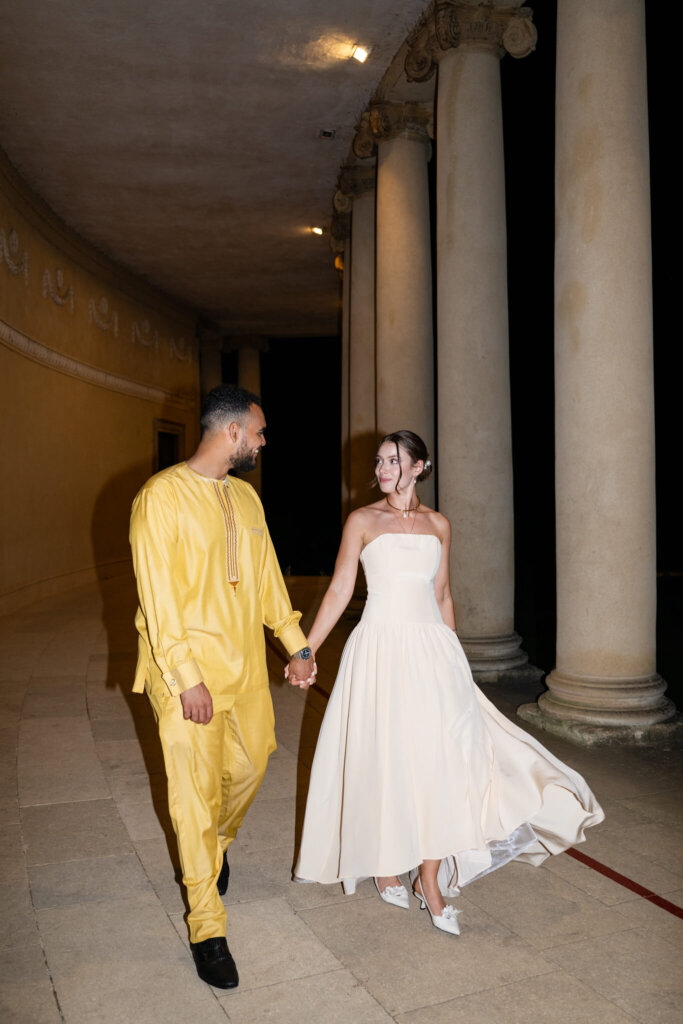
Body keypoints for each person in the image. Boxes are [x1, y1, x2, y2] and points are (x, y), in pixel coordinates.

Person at [292, 430, 604, 936]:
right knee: (386, 756)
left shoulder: (439, 525)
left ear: (420, 466)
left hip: (433, 653)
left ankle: (430, 881)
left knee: (442, 760)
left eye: (394, 459)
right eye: (379, 460)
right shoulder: (363, 521)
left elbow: (442, 595)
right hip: (379, 650)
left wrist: (454, 655)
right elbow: (340, 589)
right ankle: (386, 863)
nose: (384, 467)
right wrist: (306, 649)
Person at [130, 384, 316, 988]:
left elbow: (267, 584)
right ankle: (207, 927)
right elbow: (158, 602)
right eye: (259, 432)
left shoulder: (247, 500)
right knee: (191, 797)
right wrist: (186, 679)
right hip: (184, 677)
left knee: (252, 764)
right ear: (233, 432)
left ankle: (215, 847)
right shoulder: (160, 498)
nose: (263, 441)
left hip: (244, 673)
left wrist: (297, 645)